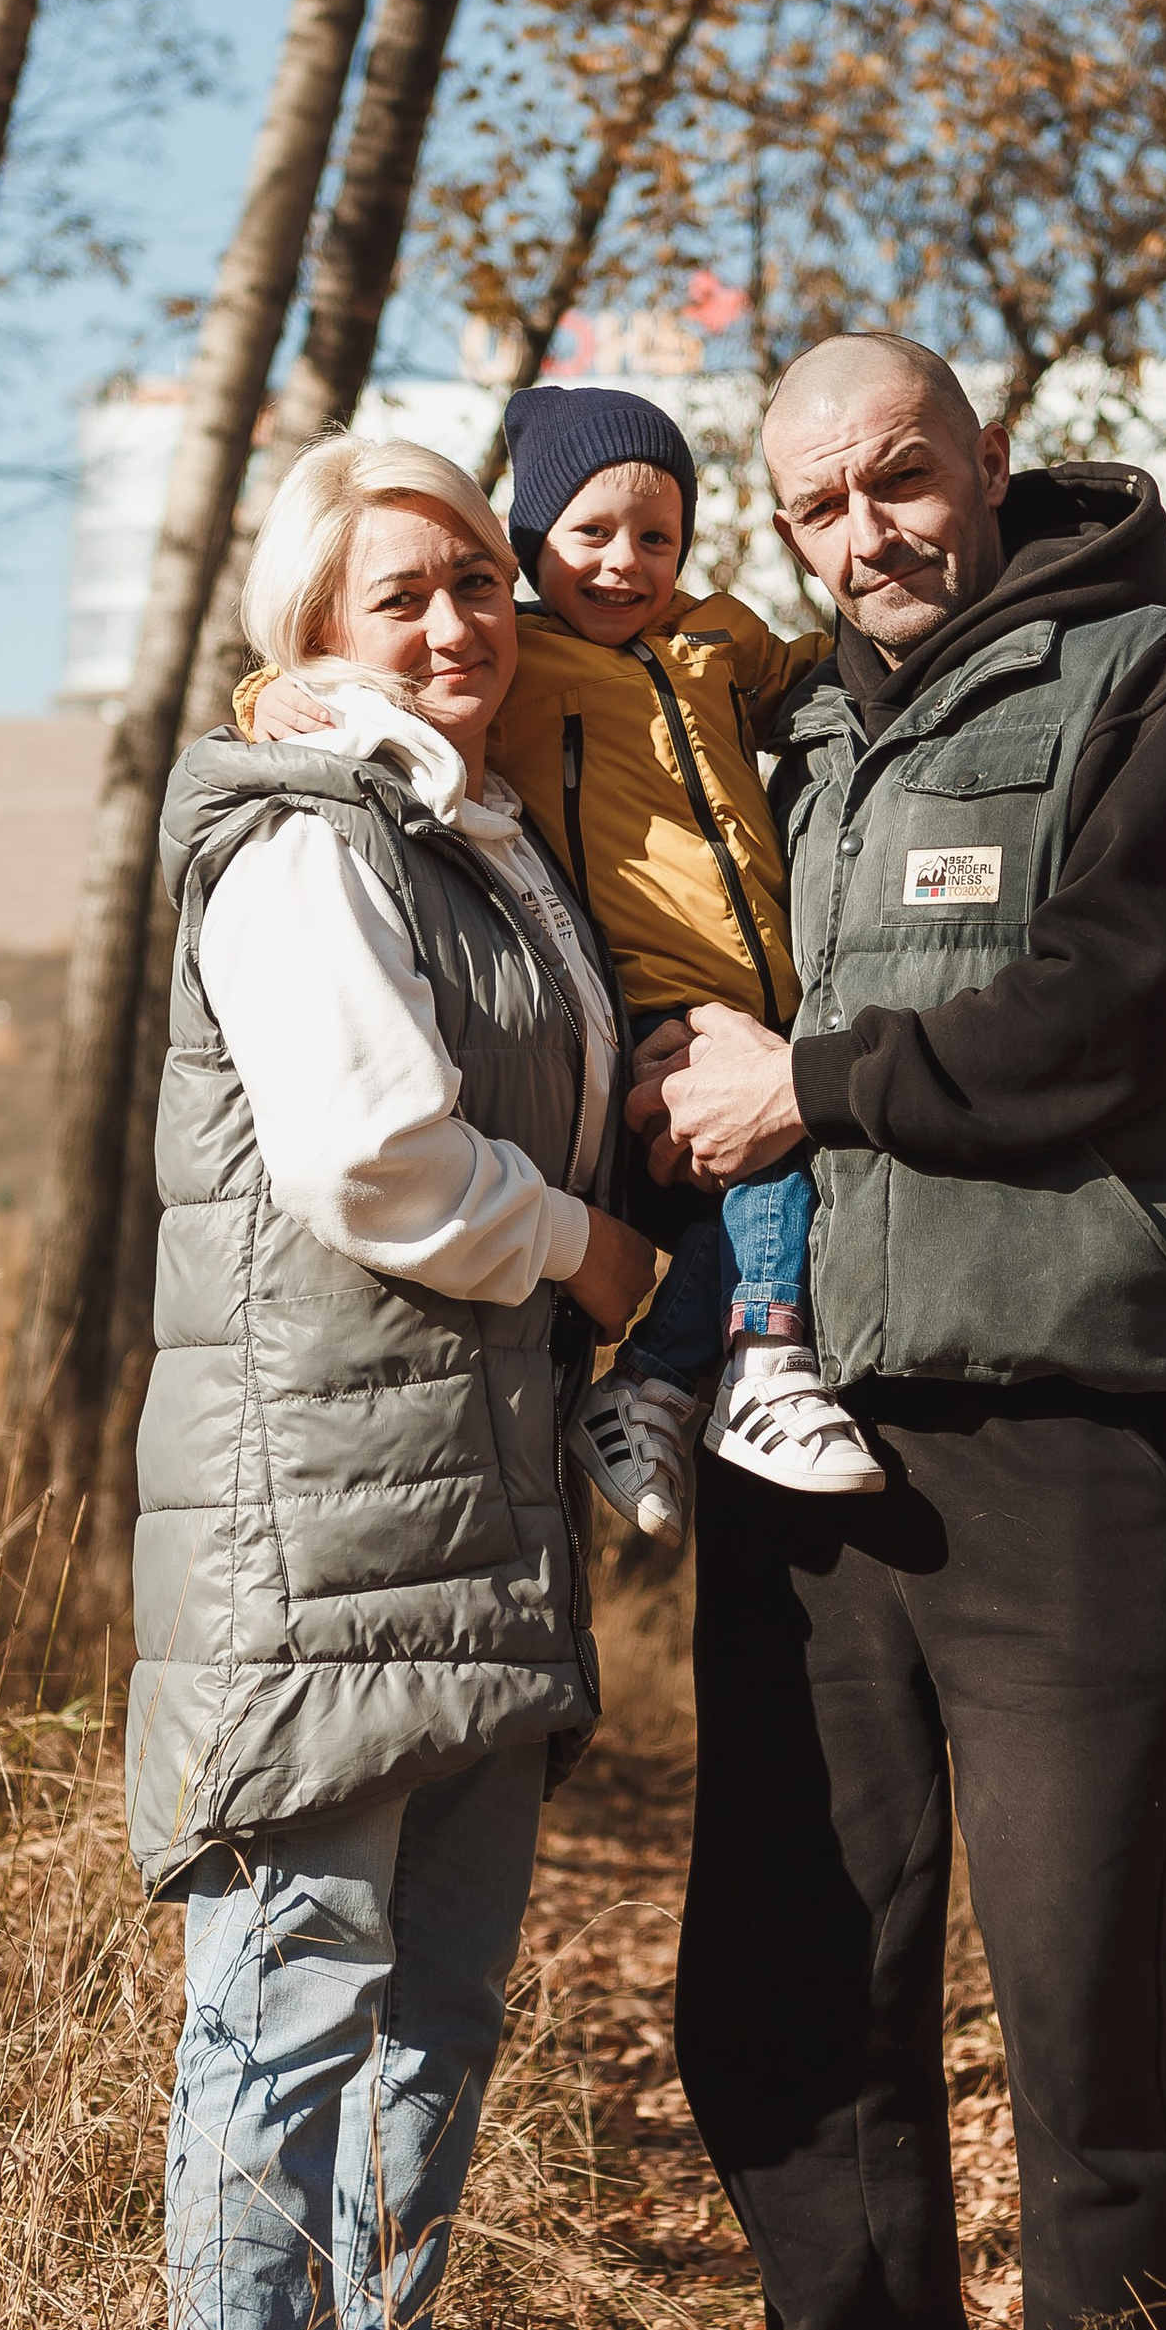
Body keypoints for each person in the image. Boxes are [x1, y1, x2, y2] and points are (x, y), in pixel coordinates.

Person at [629, 332, 1166, 2330]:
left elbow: (1118, 1004)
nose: (860, 536)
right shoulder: (786, 732)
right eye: (811, 506)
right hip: (789, 1438)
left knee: (1074, 1979)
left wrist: (814, 1083)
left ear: (984, 462)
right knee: (795, 1966)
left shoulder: (1158, 686)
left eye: (894, 481)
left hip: (1043, 1437)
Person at [130, 432, 656, 2330]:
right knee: (289, 2006)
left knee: (434, 2018)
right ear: (311, 634)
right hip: (314, 1532)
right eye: (397, 598)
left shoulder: (474, 838)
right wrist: (591, 1259)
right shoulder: (303, 844)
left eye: (473, 583)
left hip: (462, 1514)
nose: (454, 627)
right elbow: (370, 1163)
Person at [250, 381, 881, 1538]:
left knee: (728, 1210)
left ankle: (653, 1384)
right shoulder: (519, 655)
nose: (624, 565)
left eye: (657, 537)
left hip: (758, 990)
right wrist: (276, 690)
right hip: (647, 984)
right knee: (764, 1174)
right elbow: (355, 675)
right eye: (588, 535)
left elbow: (821, 675)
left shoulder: (714, 640)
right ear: (534, 543)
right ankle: (763, 1363)